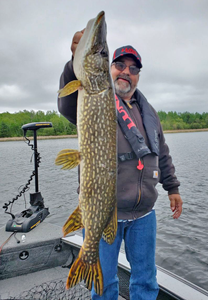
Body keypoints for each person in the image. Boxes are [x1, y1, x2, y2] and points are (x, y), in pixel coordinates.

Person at [58, 30, 183, 300]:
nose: (126, 72)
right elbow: (67, 104)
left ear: (138, 75)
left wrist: (172, 187)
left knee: (146, 281)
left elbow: (160, 151)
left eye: (133, 68)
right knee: (104, 285)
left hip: (144, 215)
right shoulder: (95, 98)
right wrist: (73, 63)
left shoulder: (148, 111)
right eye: (119, 65)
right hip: (103, 214)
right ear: (108, 70)